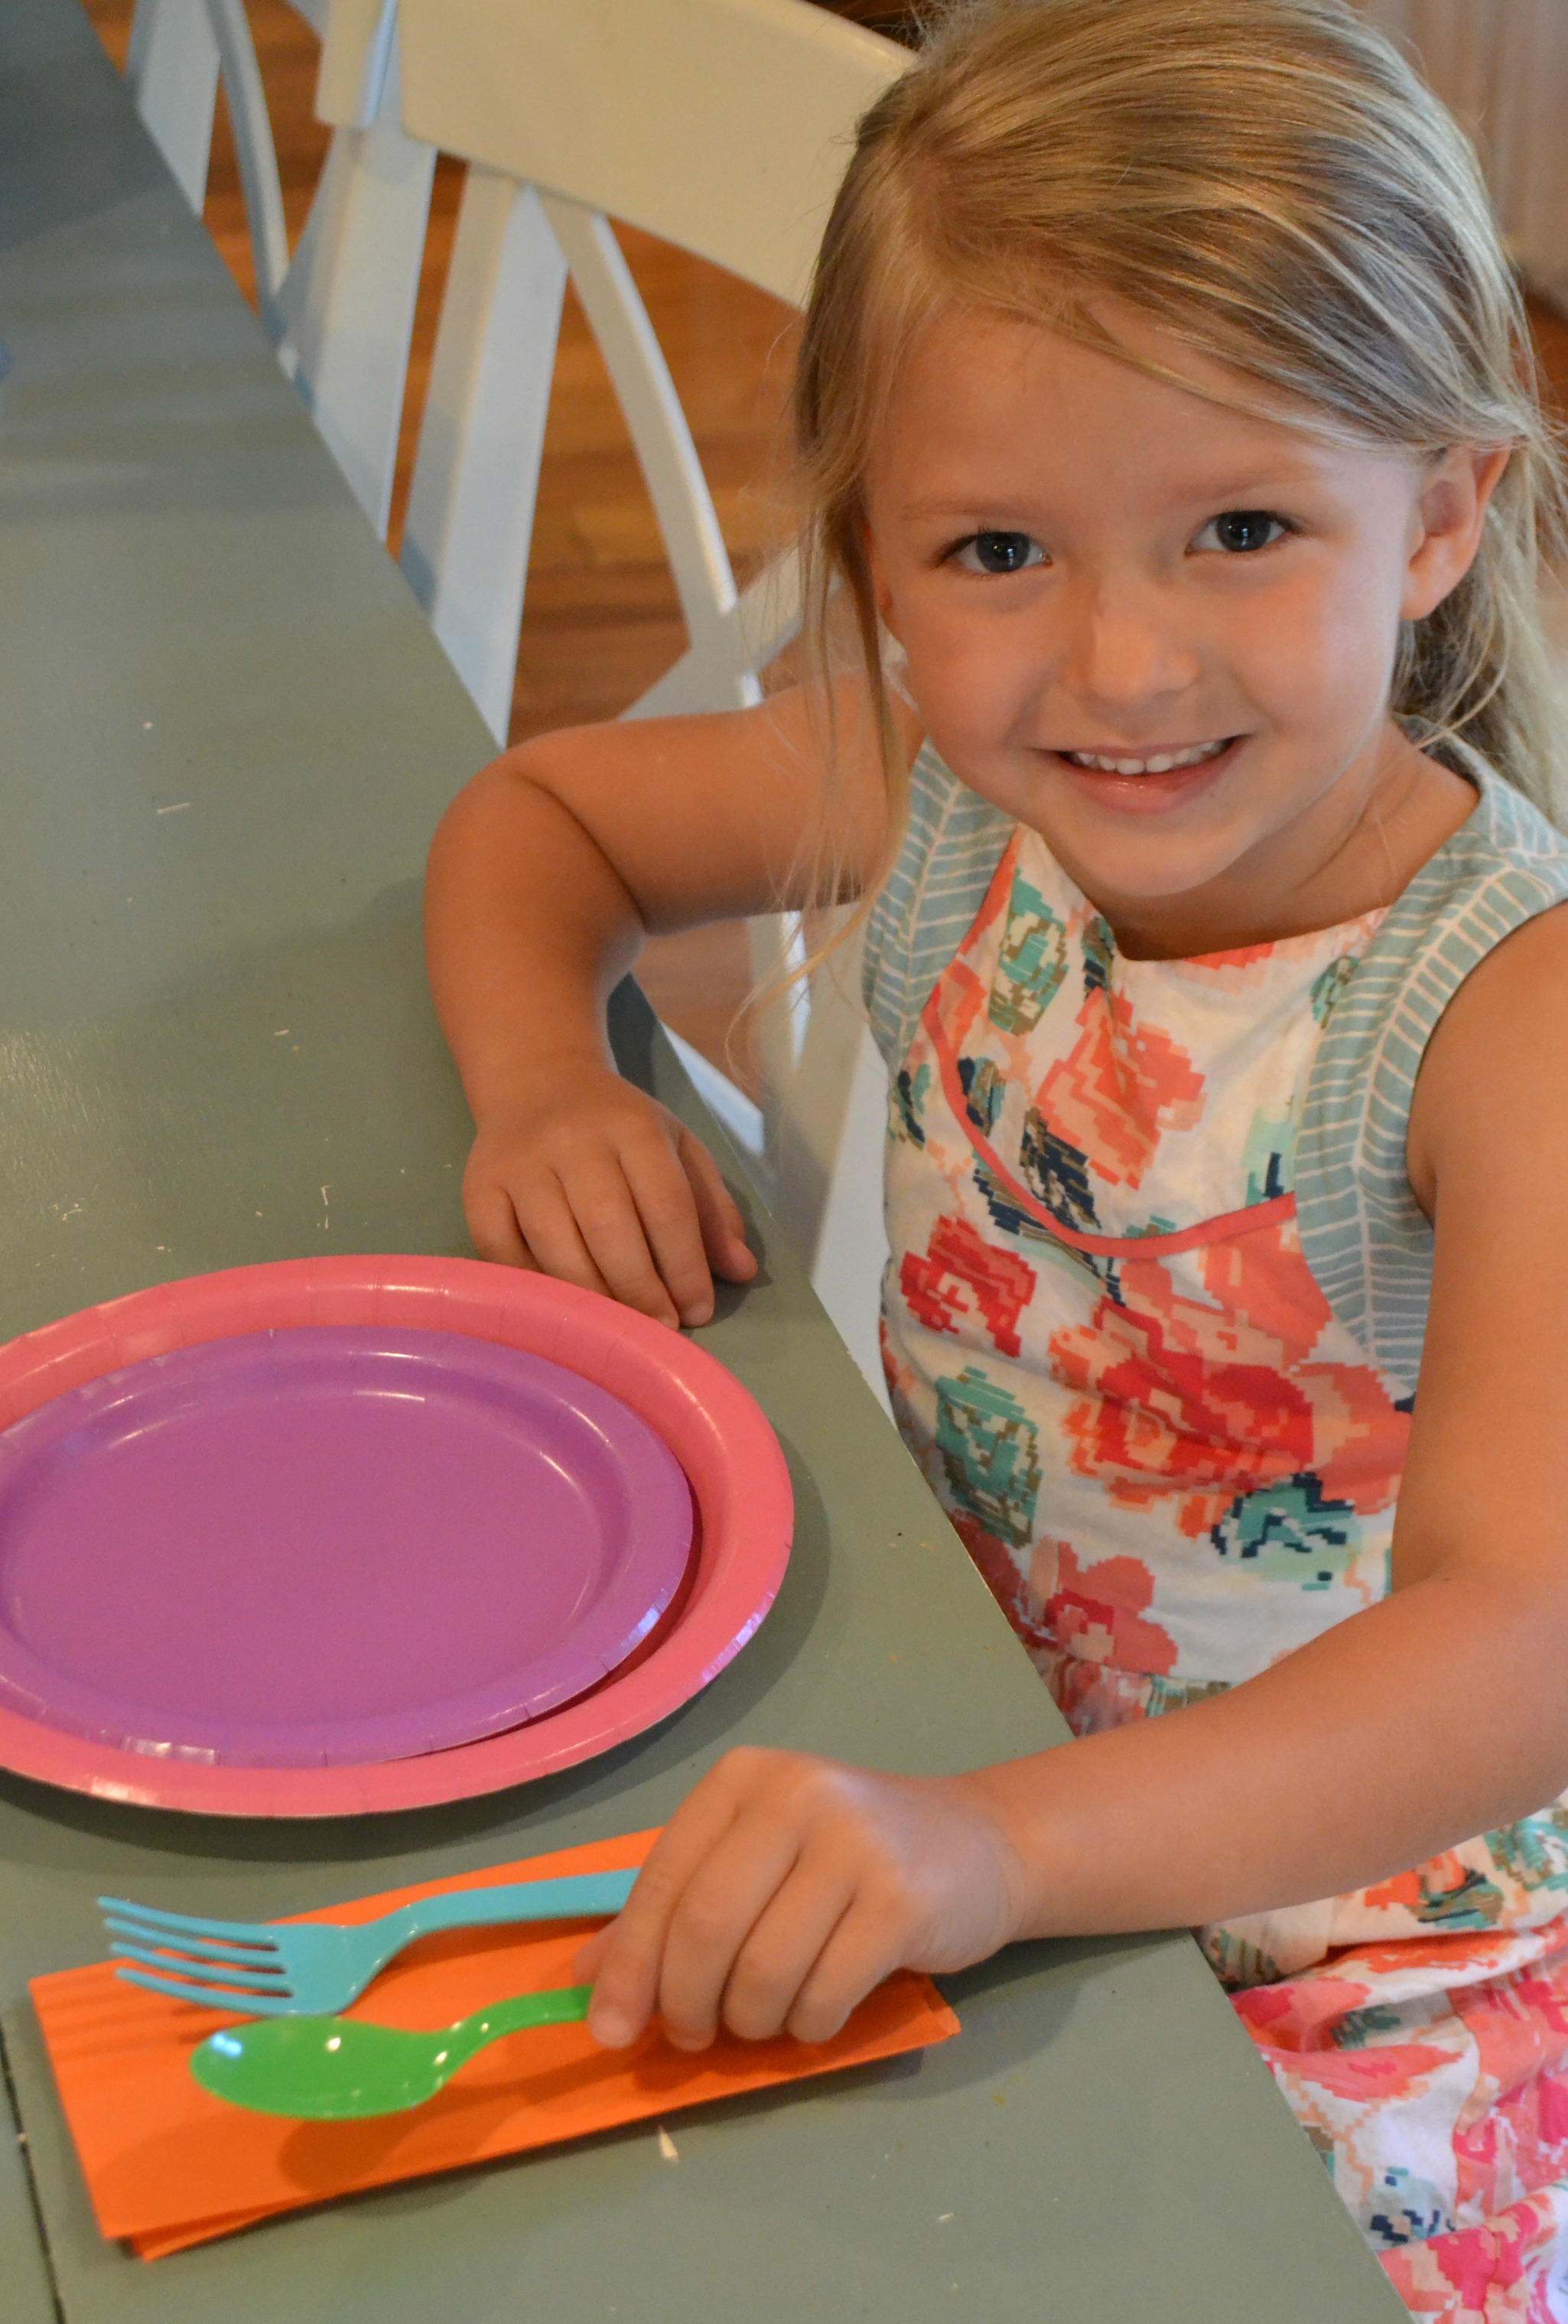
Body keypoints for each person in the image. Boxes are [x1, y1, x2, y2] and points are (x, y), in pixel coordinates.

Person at [423, 1, 1568, 2306]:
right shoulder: (953, 798)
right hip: (945, 1738)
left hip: (1385, 1938)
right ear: (868, 548)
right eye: (995, 551)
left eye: (1240, 527)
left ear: (1438, 510)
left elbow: (1519, 1642)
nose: (1121, 665)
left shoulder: (1504, 1017)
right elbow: (534, 816)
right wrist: (555, 1083)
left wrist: (992, 1846)